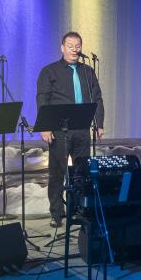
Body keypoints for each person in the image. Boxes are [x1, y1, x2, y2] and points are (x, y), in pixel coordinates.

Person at [37, 31, 104, 227]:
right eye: (70, 46)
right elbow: (42, 99)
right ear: (62, 48)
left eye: (78, 46)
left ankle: (78, 210)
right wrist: (45, 126)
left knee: (81, 172)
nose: (75, 49)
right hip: (59, 130)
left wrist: (99, 123)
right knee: (57, 173)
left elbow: (97, 98)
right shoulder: (50, 71)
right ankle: (57, 213)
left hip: (82, 128)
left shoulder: (87, 71)